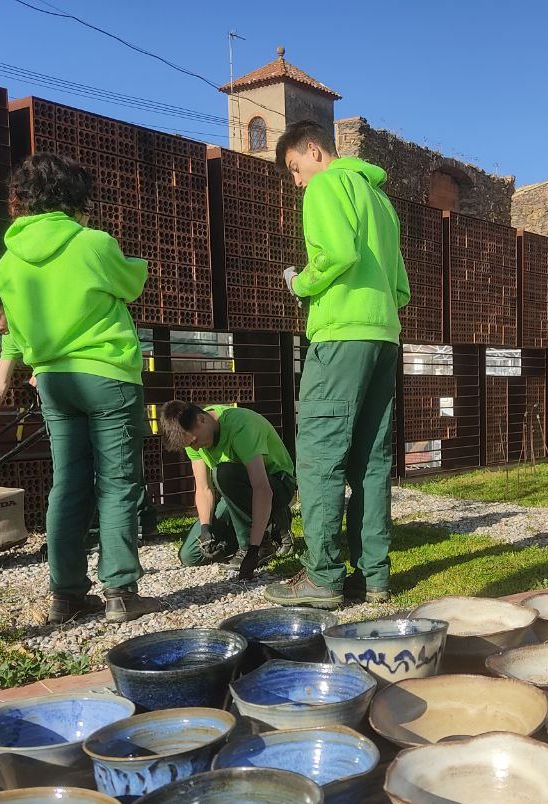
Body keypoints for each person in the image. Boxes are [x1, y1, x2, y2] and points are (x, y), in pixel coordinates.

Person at [0, 152, 162, 623]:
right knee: (118, 483)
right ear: (73, 200)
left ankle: (65, 594)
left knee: (67, 486)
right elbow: (132, 284)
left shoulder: (7, 264)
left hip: (52, 380)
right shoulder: (92, 243)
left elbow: (18, 336)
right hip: (107, 374)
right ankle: (121, 592)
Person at [264, 121, 409, 611]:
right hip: (384, 337)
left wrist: (299, 282)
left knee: (320, 455)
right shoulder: (382, 203)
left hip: (340, 335)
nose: (298, 181)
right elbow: (402, 289)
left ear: (313, 151)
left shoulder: (327, 185)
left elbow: (339, 254)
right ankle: (375, 576)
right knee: (370, 458)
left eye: (294, 169)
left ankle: (323, 577)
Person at [0, 278, 158, 542]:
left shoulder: (44, 311)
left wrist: (45, 371)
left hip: (99, 385)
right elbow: (0, 379)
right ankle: (99, 527)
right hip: (65, 398)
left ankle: (137, 521)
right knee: (81, 465)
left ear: (10, 305)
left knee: (114, 462)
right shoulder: (12, 335)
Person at [159, 401, 296, 576]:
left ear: (202, 419)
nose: (195, 448)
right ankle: (262, 530)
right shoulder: (192, 438)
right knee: (191, 555)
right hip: (237, 492)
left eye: (195, 442)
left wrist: (252, 550)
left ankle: (265, 536)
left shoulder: (241, 426)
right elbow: (203, 489)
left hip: (275, 484)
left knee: (223, 473)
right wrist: (205, 530)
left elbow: (262, 488)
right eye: (189, 446)